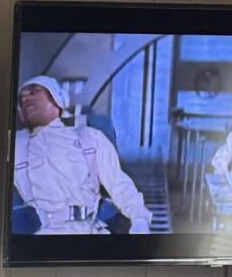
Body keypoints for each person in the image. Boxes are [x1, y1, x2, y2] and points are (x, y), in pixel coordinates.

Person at [12, 75, 152, 235]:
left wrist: (139, 219)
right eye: (21, 99)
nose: (25, 99)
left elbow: (118, 184)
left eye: (33, 92)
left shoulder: (89, 138)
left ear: (56, 99)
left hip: (91, 231)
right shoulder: (17, 146)